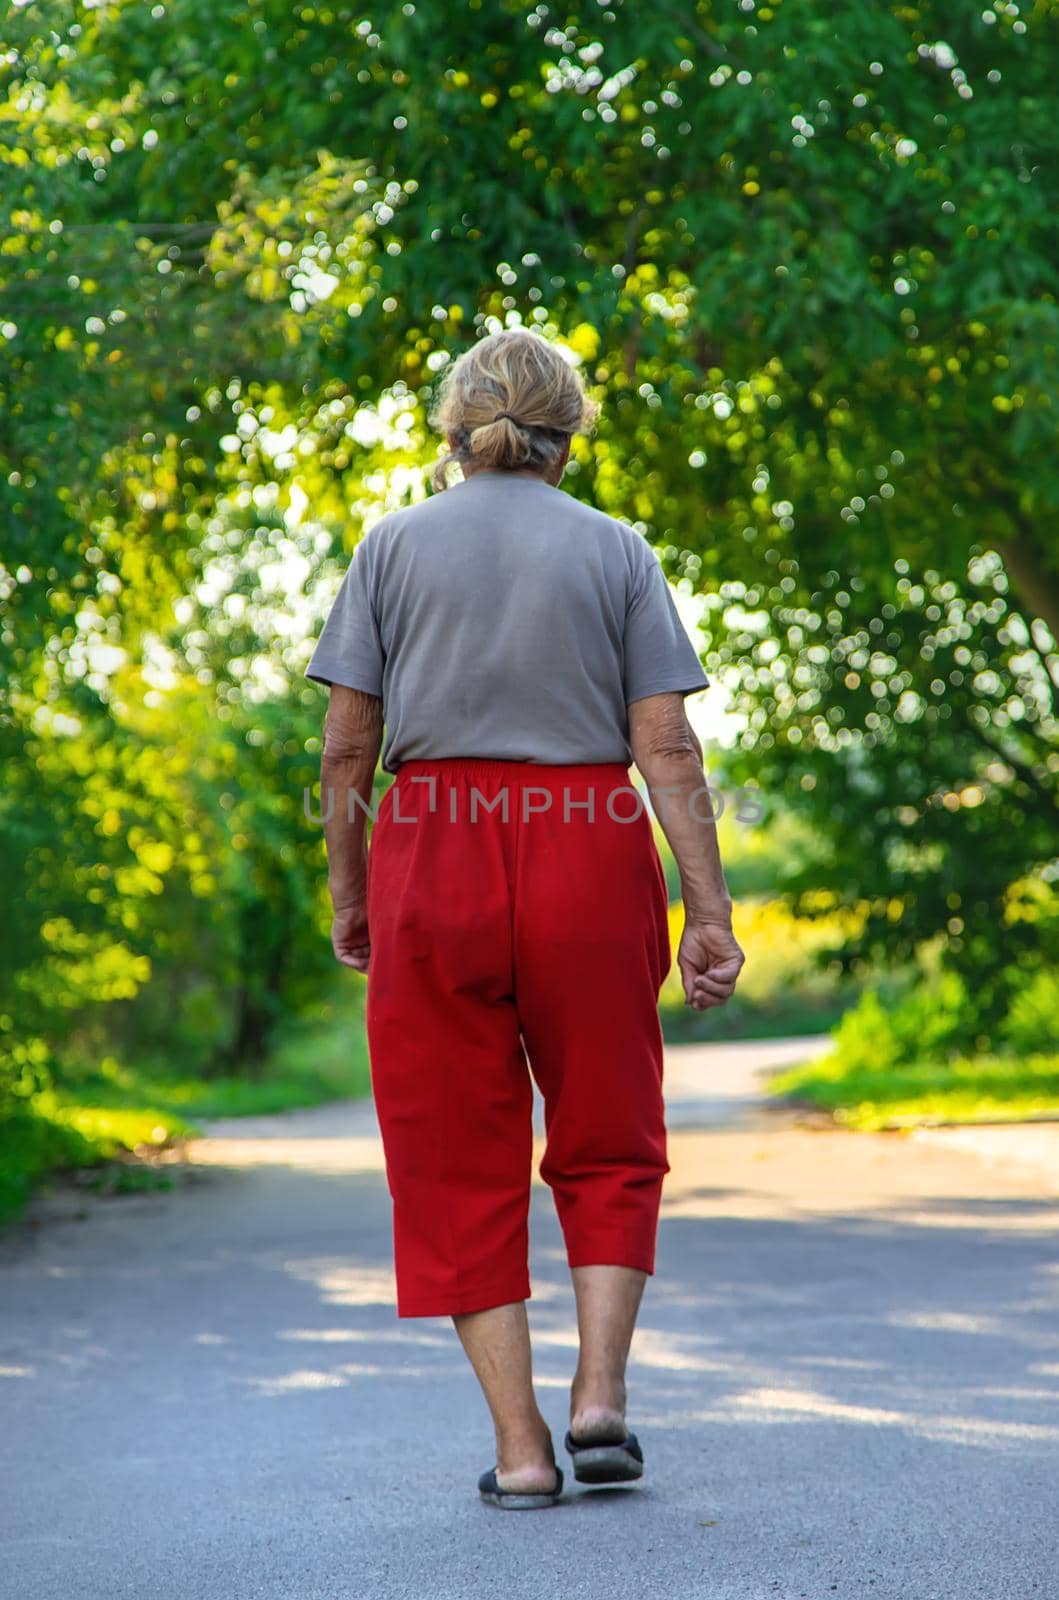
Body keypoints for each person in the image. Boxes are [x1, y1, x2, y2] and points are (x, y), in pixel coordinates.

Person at [305, 327, 744, 1509]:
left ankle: (520, 1450)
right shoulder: (617, 550)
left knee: (453, 1152)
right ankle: (601, 1396)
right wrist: (708, 909)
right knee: (610, 1125)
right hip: (587, 843)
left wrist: (353, 890)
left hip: (435, 838)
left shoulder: (390, 545)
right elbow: (666, 742)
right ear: (570, 433)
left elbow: (350, 744)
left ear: (454, 431)